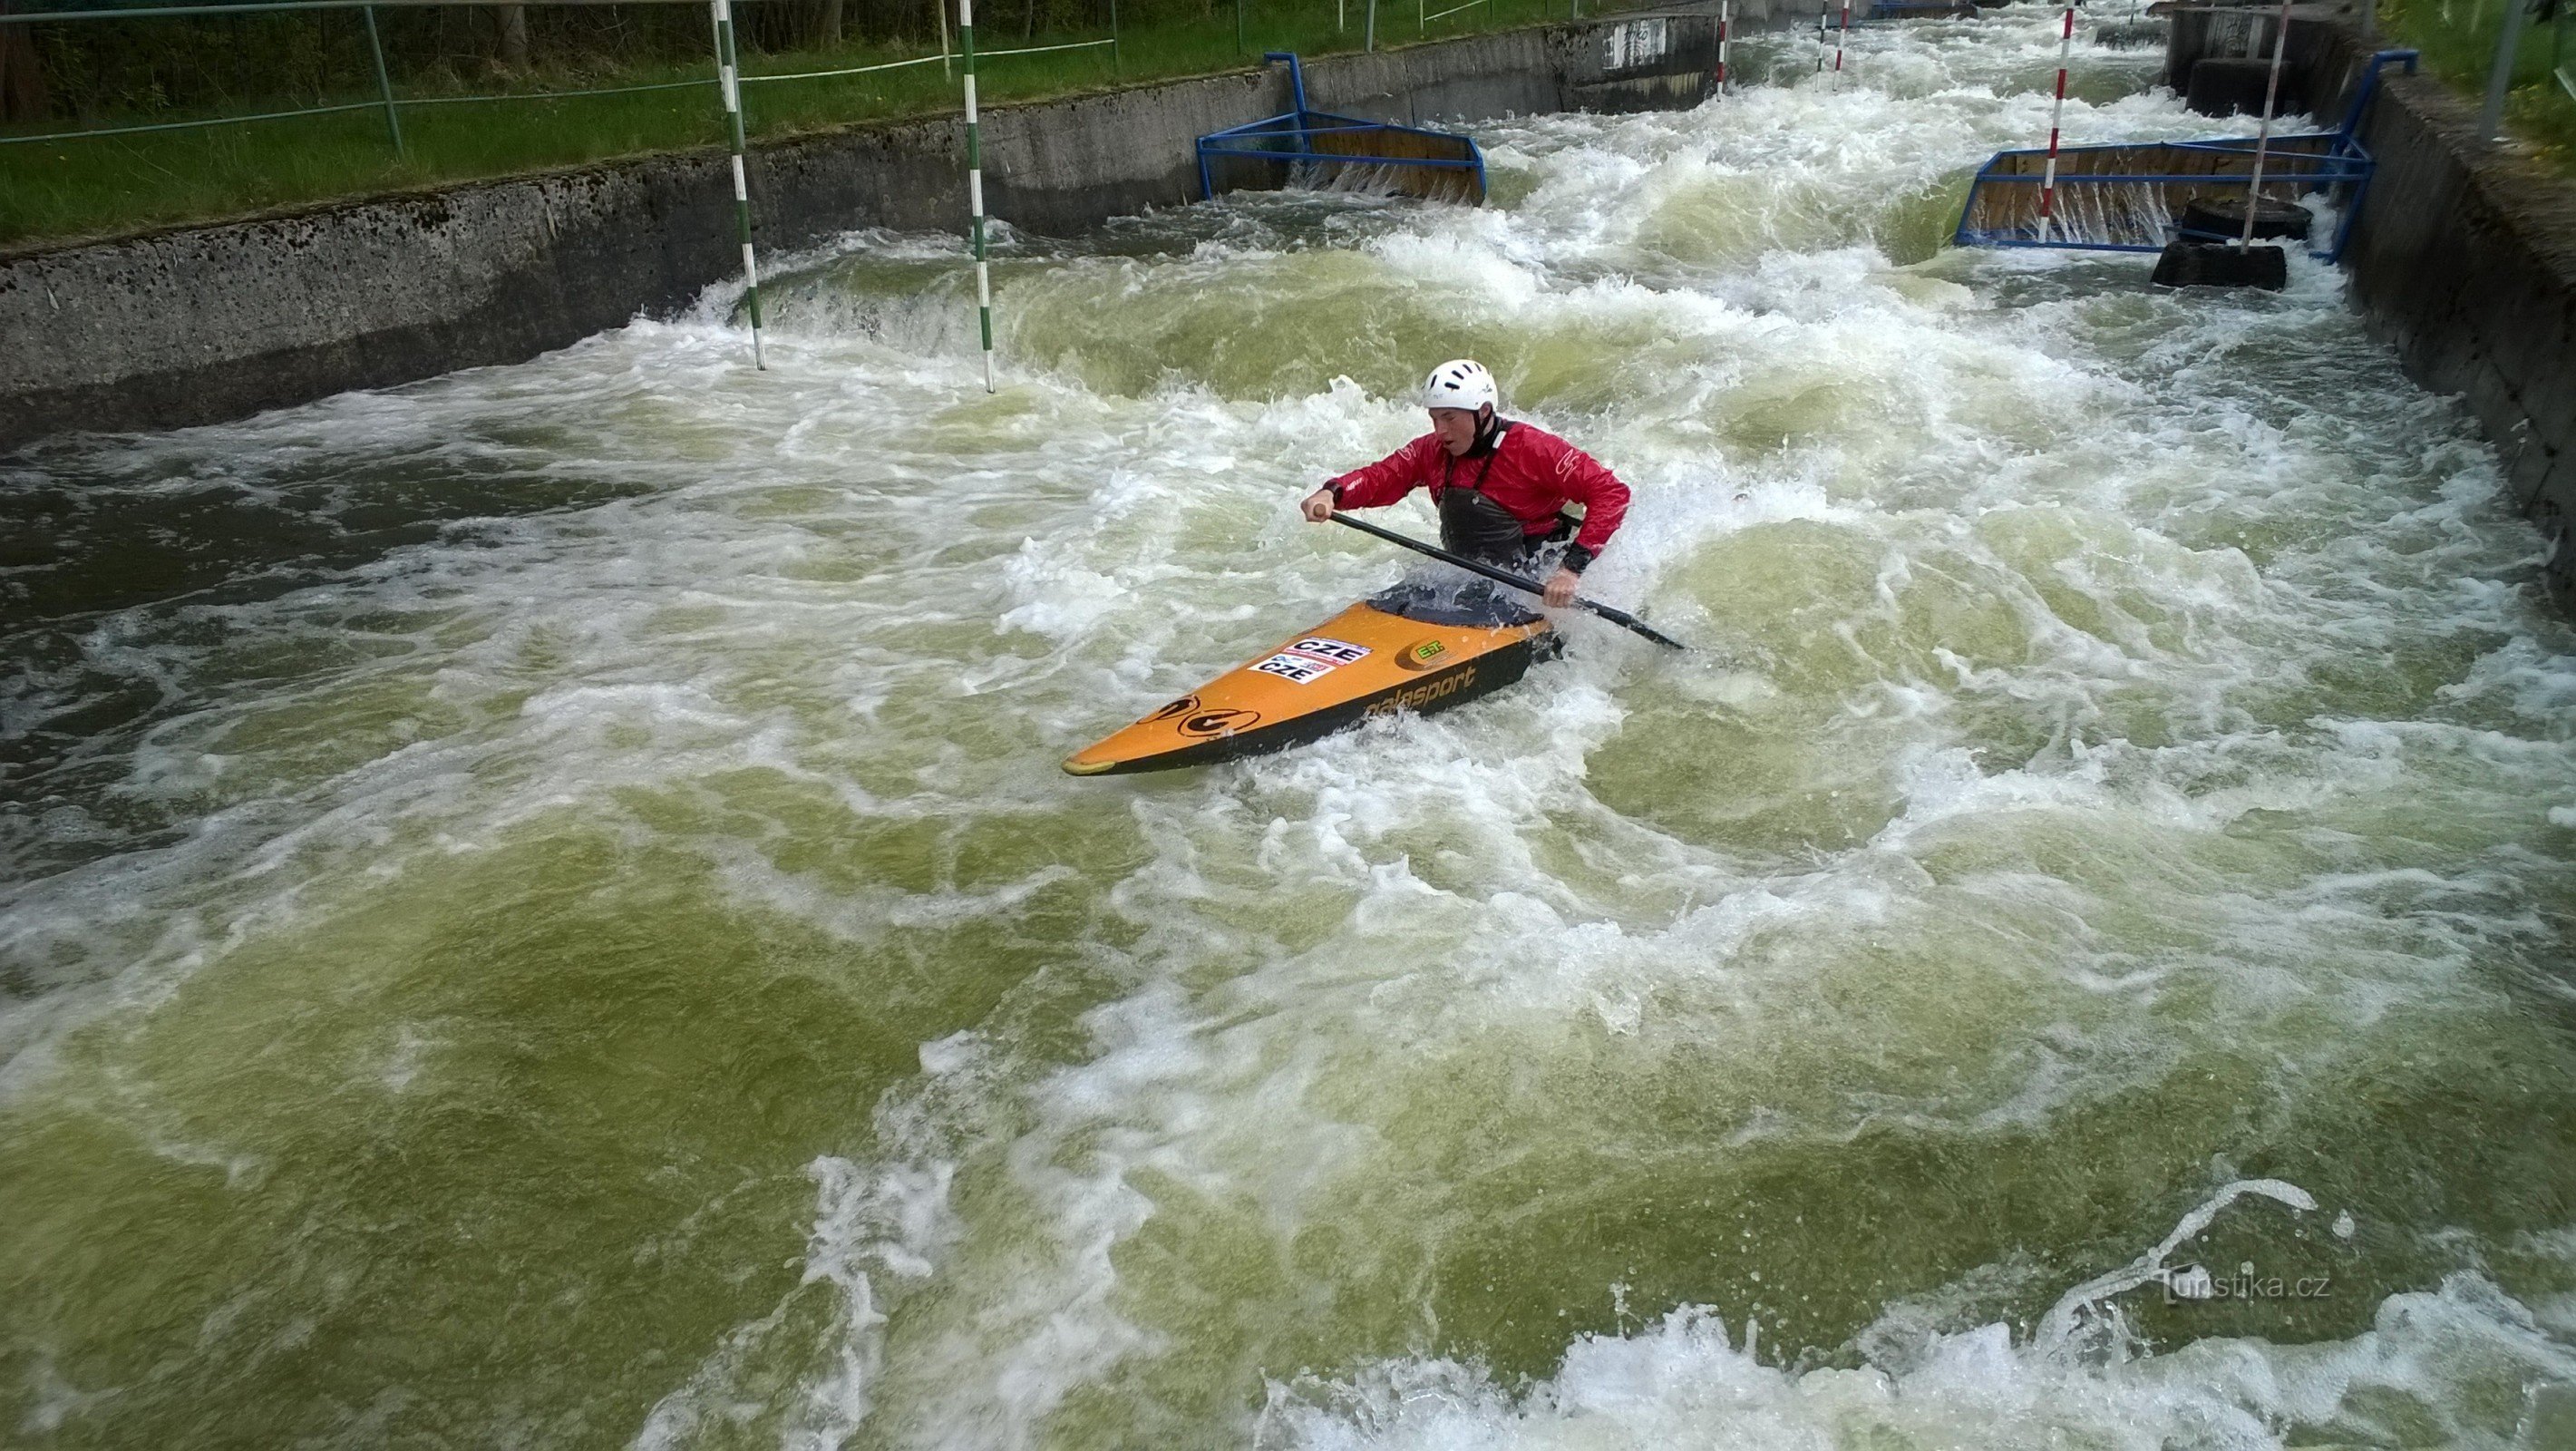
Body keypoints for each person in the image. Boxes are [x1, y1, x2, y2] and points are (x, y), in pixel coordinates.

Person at [1300, 360, 1630, 609]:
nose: (1440, 430)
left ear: (1483, 412)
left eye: (1449, 418)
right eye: (1434, 418)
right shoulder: (1431, 450)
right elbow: (1381, 477)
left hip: (1534, 578)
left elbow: (1611, 493)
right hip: (1468, 573)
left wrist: (1569, 571)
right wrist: (1333, 492)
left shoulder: (1533, 448)